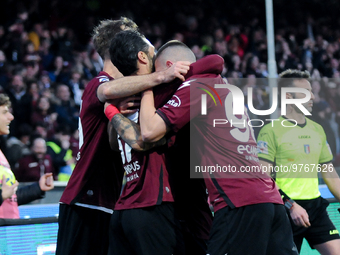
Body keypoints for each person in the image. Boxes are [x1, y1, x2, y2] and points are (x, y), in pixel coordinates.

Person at [137, 41, 298, 255]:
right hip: (270, 201)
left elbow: (148, 131)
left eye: (159, 73)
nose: (161, 80)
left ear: (170, 66)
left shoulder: (194, 86)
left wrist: (146, 84)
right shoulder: (225, 86)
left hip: (238, 203)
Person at [56, 18, 190, 255]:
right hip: (86, 196)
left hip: (112, 199)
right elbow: (106, 91)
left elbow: (115, 141)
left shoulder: (128, 90)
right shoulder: (101, 82)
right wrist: (162, 76)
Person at [107, 35, 223, 255]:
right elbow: (145, 139)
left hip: (125, 207)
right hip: (158, 208)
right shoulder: (165, 93)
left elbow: (114, 142)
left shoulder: (120, 96)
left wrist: (111, 111)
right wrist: (157, 80)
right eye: (152, 49)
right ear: (143, 57)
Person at [257, 69, 340, 254]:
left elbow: (329, 173)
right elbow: (264, 178)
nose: (312, 96)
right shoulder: (270, 131)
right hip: (285, 211)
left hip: (316, 209)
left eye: (311, 91)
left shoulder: (318, 129)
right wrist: (291, 205)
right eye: (306, 92)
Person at [0, 93, 54, 219]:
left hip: (8, 233)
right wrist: (1, 195)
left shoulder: (1, 153)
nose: (11, 117)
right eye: (4, 112)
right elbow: (3, 195)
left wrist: (38, 188)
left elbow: (11, 198)